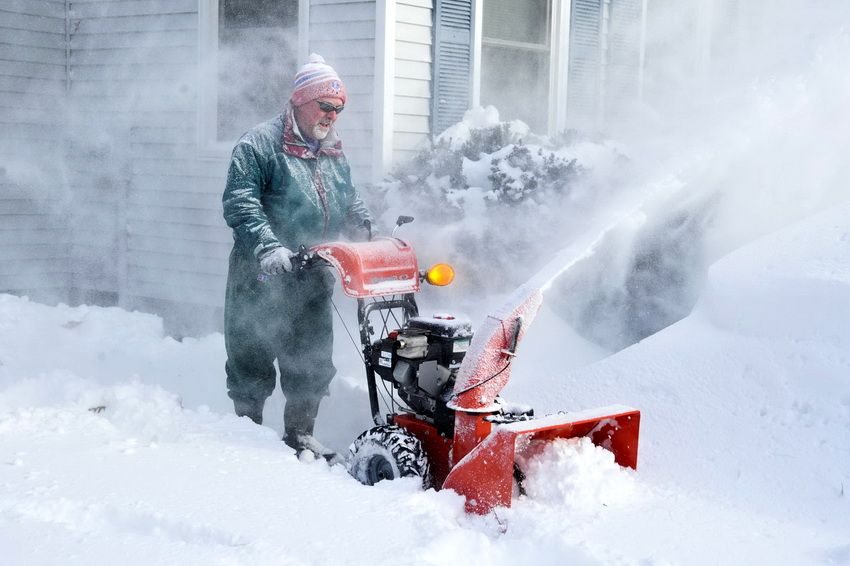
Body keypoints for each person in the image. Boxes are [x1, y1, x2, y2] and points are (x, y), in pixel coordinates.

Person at [222, 53, 372, 461]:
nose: (332, 116)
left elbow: (349, 200)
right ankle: (248, 435)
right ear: (301, 101)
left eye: (339, 109)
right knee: (251, 357)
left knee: (311, 358)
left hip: (312, 276)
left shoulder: (332, 152)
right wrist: (268, 246)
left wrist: (366, 231)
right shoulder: (258, 145)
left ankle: (300, 436)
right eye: (325, 106)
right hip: (262, 275)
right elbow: (240, 202)